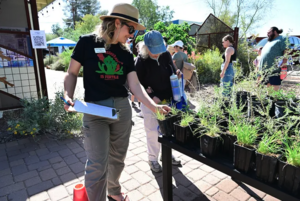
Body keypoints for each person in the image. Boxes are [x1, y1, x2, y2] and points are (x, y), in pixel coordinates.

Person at [63, 3, 170, 201]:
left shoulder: (126, 53)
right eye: (130, 29)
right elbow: (71, 73)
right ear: (117, 23)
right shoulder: (86, 43)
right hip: (95, 112)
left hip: (121, 110)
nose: (131, 35)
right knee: (97, 163)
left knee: (118, 159)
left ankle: (113, 191)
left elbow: (135, 85)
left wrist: (153, 107)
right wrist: (68, 95)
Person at [135, 31, 181, 173]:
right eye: (153, 51)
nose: (156, 54)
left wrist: (177, 75)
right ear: (145, 47)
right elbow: (136, 84)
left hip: (167, 100)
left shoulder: (166, 55)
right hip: (150, 103)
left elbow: (172, 73)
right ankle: (153, 159)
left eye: (158, 50)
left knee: (168, 130)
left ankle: (167, 155)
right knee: (152, 132)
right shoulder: (140, 60)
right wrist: (152, 96)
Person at [257, 27, 287, 91]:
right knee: (268, 87)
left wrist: (284, 62)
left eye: (269, 32)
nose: (267, 34)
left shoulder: (282, 38)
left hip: (274, 69)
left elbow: (286, 50)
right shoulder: (269, 41)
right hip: (265, 70)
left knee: (275, 88)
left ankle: (275, 100)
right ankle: (269, 100)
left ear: (275, 32)